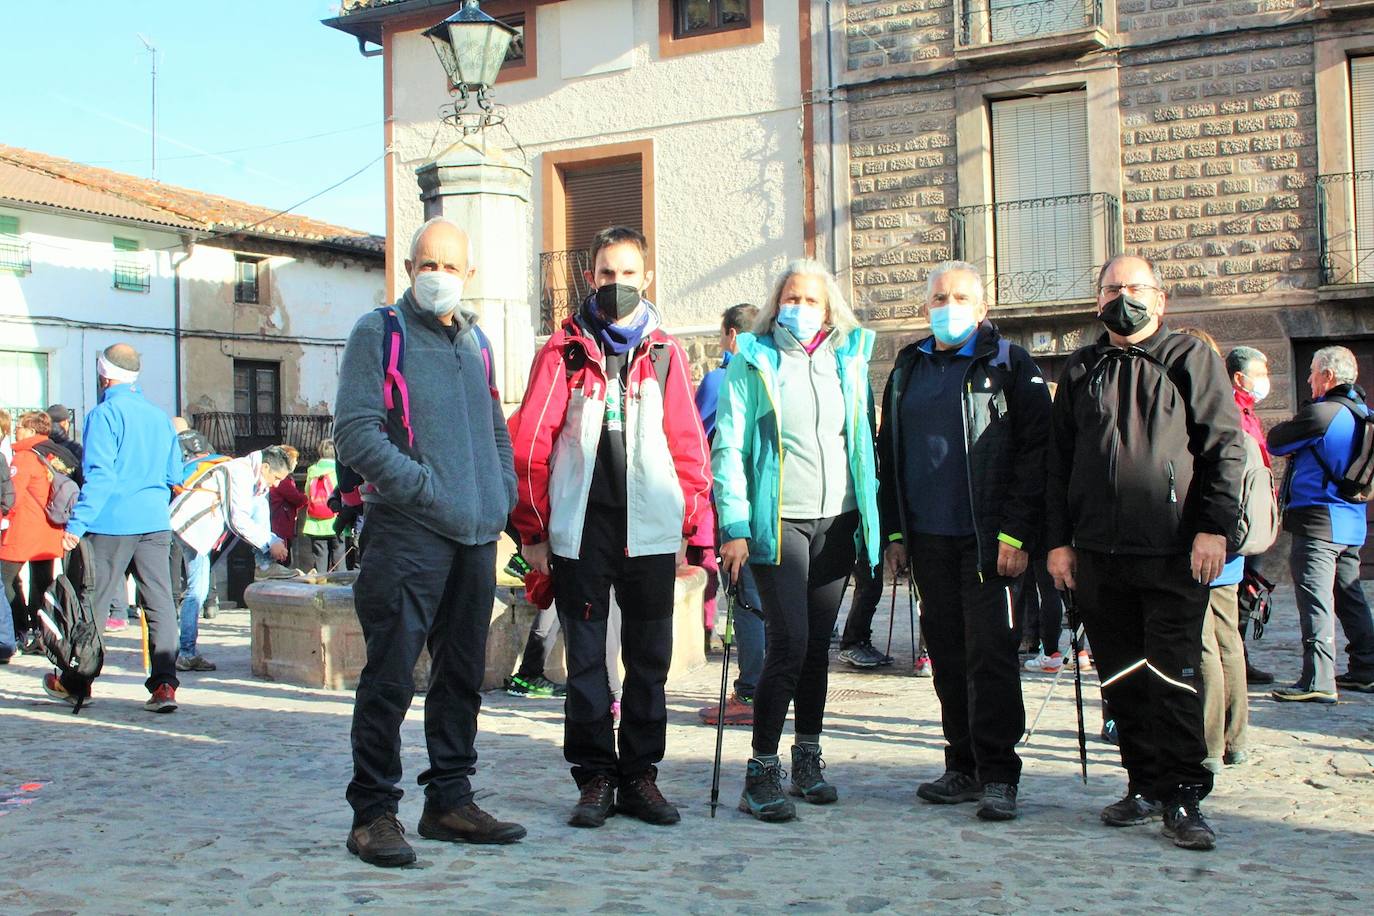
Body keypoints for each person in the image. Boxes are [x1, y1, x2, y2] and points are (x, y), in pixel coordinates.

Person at [335, 216, 525, 867]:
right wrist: (424, 488)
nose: (437, 274)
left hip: (475, 537)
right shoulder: (378, 332)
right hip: (406, 534)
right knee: (390, 677)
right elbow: (357, 434)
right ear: (410, 268)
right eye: (426, 263)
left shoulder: (477, 344)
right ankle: (373, 814)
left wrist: (499, 496)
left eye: (449, 264)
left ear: (467, 274)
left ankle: (449, 800)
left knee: (461, 677)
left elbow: (496, 428)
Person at [510, 225, 712, 830]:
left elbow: (688, 445)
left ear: (645, 278)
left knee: (650, 659)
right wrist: (534, 529)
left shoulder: (666, 352)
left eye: (627, 273)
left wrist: (692, 525)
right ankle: (596, 776)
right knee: (588, 663)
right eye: (605, 273)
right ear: (590, 278)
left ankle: (640, 777)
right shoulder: (564, 349)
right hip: (581, 531)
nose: (616, 284)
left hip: (649, 532)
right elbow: (531, 446)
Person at [1046, 255, 1245, 851]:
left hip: (1172, 550)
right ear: (1097, 299)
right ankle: (1142, 782)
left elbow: (1224, 448)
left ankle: (1184, 793)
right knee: (1123, 675)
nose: (1123, 297)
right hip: (1098, 554)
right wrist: (1057, 542)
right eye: (1113, 288)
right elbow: (1058, 464)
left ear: (1158, 300)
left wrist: (1214, 528)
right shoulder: (1082, 366)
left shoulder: (1189, 358)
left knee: (1174, 675)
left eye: (1135, 288)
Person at [878, 261, 1049, 822]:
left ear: (982, 306)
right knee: (947, 656)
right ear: (926, 305)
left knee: (991, 657)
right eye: (938, 297)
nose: (947, 305)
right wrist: (896, 532)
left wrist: (1017, 533)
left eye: (959, 297)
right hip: (928, 537)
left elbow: (1034, 454)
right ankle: (962, 765)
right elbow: (891, 456)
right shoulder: (907, 366)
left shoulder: (1008, 363)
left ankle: (1000, 773)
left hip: (989, 542)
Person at [713, 258, 880, 823]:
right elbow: (729, 449)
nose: (800, 308)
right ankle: (760, 773)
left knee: (816, 647)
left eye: (811, 300)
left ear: (829, 309)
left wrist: (875, 518)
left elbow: (861, 441)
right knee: (788, 643)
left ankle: (807, 757)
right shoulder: (753, 361)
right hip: (777, 521)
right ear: (775, 303)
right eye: (791, 298)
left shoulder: (849, 360)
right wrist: (734, 526)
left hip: (837, 518)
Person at [60, 344, 184, 712]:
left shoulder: (104, 414)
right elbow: (174, 474)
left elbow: (100, 474)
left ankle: (78, 681)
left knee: (94, 601)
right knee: (160, 601)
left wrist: (77, 522)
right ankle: (164, 686)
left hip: (112, 520)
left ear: (104, 374)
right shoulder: (160, 418)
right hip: (155, 520)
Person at [1266, 346, 1374, 701]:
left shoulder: (1324, 413)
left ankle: (1318, 681)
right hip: (1352, 521)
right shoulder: (1364, 413)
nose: (1309, 378)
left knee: (1316, 599)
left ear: (1327, 376)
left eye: (1312, 372)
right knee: (1349, 595)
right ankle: (1366, 668)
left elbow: (1276, 442)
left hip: (1318, 520)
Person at [1176, 329, 1250, 773]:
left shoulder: (1202, 406)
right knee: (1228, 642)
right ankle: (1236, 737)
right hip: (1232, 544)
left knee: (1204, 646)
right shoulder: (1242, 411)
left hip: (1206, 541)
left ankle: (1207, 746)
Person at [694, 303, 767, 726]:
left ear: (731, 335)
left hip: (737, 508)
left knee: (746, 601)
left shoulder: (723, 378)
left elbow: (700, 439)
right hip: (777, 512)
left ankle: (751, 692)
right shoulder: (776, 370)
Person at [174, 444, 293, 672]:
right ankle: (186, 652)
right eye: (276, 477)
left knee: (197, 589)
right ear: (265, 467)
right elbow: (238, 519)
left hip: (206, 530)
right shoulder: (240, 471)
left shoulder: (255, 479)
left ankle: (264, 563)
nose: (277, 483)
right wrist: (270, 542)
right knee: (197, 591)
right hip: (194, 529)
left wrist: (270, 540)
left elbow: (255, 513)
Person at [1226, 346, 1277, 686]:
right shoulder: (1230, 410)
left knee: (1249, 591)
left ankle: (1240, 657)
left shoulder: (1249, 411)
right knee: (1238, 592)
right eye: (1260, 373)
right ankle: (1236, 659)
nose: (1265, 380)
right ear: (1240, 377)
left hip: (1256, 515)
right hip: (1240, 517)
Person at [1, 412, 66, 658]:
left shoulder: (25, 457)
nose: (16, 431)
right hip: (48, 530)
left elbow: (13, 496)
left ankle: (15, 630)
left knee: (3, 579)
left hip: (25, 530)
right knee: (41, 583)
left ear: (30, 431)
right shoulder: (51, 453)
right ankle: (42, 634)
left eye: (19, 427)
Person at [303, 439, 343, 574]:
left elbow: (307, 493)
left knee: (320, 561)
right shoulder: (338, 470)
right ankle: (339, 592)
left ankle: (320, 591)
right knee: (339, 560)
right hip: (337, 522)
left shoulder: (312, 471)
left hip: (315, 524)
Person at [268, 446, 306, 560]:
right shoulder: (283, 479)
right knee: (283, 557)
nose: (296, 463)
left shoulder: (285, 478)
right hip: (280, 522)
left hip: (282, 521)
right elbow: (296, 498)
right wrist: (307, 498)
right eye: (294, 460)